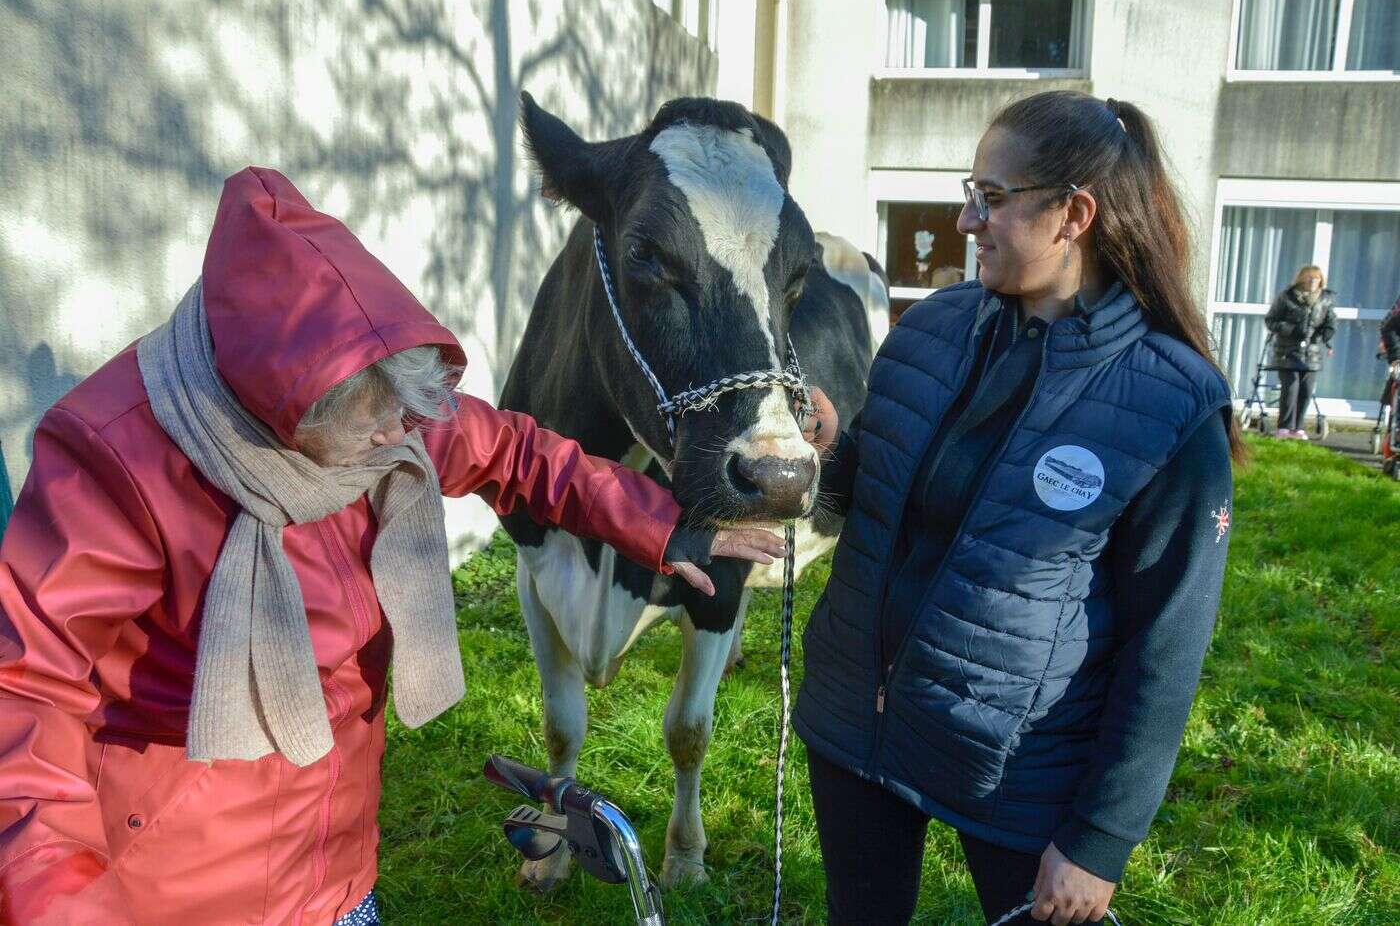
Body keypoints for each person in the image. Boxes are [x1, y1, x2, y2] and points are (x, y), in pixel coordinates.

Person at [0, 168, 783, 925]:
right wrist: (60, 902)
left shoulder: (380, 410)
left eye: (407, 410)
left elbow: (513, 451)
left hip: (338, 866)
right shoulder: (116, 459)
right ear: (286, 410)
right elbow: (26, 698)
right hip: (182, 887)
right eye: (374, 421)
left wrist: (659, 522)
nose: (397, 436)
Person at [794, 92, 1243, 926]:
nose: (967, 220)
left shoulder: (1171, 409)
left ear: (1075, 215)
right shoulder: (930, 328)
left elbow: (1166, 649)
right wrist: (830, 451)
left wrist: (1101, 838)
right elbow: (883, 498)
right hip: (860, 718)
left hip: (1018, 766)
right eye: (972, 191)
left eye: (992, 198)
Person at [1264, 265, 1337, 440]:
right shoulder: (1286, 297)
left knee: (1306, 389)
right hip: (1288, 350)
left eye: (1316, 278)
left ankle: (1298, 427)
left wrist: (1326, 333)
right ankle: (1284, 427)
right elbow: (1271, 320)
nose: (1312, 281)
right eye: (1309, 277)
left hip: (1312, 352)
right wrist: (1290, 329)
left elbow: (1331, 321)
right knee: (1291, 387)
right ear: (1301, 279)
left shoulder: (1325, 299)